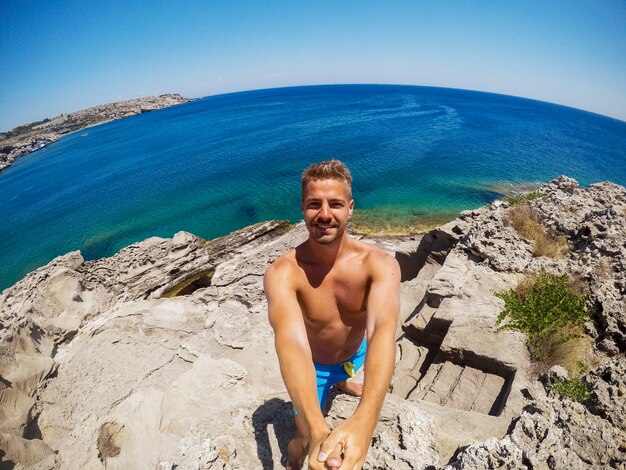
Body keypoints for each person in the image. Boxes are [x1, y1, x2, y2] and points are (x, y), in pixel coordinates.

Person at [264, 160, 400, 470]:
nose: (325, 215)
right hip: (314, 368)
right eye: (315, 204)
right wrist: (315, 429)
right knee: (303, 440)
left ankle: (342, 382)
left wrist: (365, 420)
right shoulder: (284, 273)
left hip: (355, 355)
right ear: (302, 207)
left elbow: (381, 330)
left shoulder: (379, 265)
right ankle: (293, 457)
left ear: (350, 208)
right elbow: (291, 344)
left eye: (335, 204)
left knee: (351, 371)